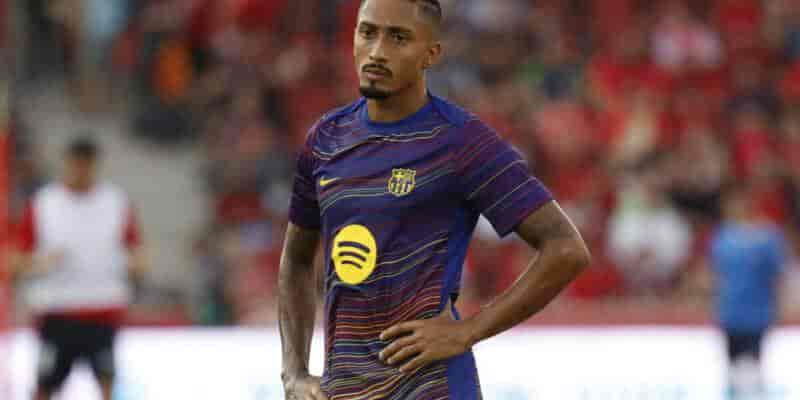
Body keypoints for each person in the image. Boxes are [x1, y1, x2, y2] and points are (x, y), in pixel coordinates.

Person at [278, 1, 591, 399]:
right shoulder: (326, 139)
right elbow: (296, 260)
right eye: (368, 33)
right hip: (347, 389)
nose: (377, 51)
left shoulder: (461, 141)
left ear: (431, 54)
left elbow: (566, 249)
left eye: (398, 38)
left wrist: (468, 331)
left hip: (432, 387)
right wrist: (294, 370)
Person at [12, 137, 147, 400]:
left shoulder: (115, 201)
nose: (81, 171)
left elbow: (136, 249)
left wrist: (137, 265)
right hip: (57, 311)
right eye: (76, 165)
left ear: (94, 165)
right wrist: (41, 263)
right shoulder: (44, 203)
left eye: (86, 165)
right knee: (45, 386)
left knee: (106, 385)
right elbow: (16, 260)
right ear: (67, 164)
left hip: (102, 310)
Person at [710, 184, 786, 399]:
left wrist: (779, 307)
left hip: (756, 315)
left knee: (752, 367)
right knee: (733, 369)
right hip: (731, 314)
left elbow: (777, 277)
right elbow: (717, 276)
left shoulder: (768, 238)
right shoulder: (723, 238)